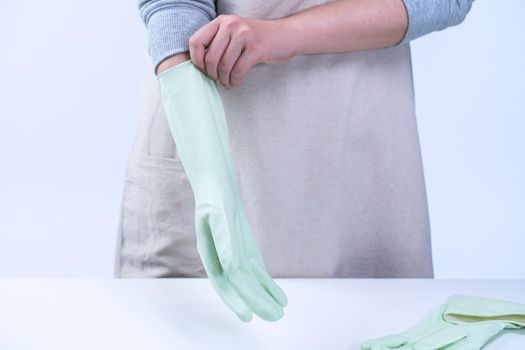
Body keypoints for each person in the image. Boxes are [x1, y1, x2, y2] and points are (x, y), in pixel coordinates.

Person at [114, 0, 474, 278]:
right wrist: (207, 168)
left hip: (359, 148)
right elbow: (174, 6)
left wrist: (283, 35)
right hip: (205, 121)